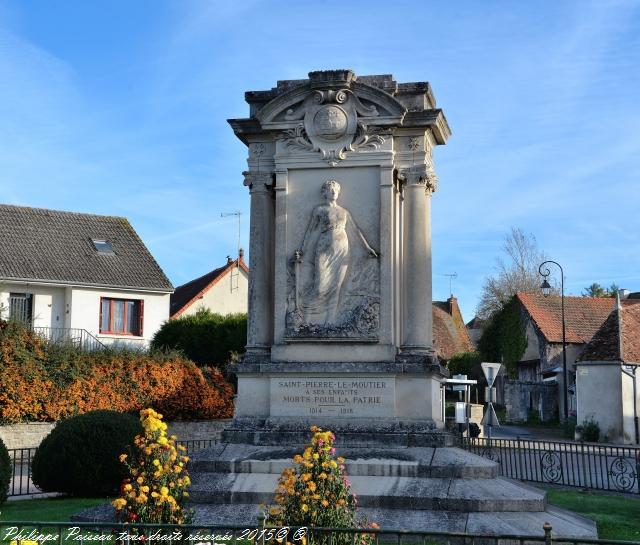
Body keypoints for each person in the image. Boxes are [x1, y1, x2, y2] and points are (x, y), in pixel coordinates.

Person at [296, 179, 377, 325]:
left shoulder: (344, 212)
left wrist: (367, 248)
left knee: (336, 287)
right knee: (320, 286)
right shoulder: (320, 210)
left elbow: (356, 230)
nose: (334, 192)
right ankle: (306, 318)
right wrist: (302, 250)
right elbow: (310, 231)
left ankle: (330, 322)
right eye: (330, 189)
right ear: (324, 193)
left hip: (343, 249)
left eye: (336, 190)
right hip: (324, 248)